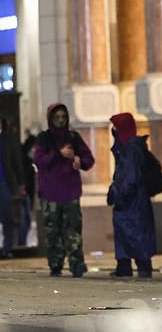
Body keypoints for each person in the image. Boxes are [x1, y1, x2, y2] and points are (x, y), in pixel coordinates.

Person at [33, 103, 94, 277]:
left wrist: (78, 161)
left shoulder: (73, 137)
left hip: (70, 192)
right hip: (51, 194)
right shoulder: (44, 139)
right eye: (57, 117)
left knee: (73, 231)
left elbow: (88, 159)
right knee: (53, 232)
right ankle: (55, 263)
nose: (60, 121)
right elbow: (39, 160)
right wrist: (58, 154)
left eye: (63, 117)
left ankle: (77, 264)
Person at [106, 112, 157, 278]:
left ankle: (142, 267)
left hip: (132, 202)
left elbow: (129, 177)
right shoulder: (128, 147)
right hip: (132, 201)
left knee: (135, 233)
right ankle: (124, 265)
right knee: (127, 233)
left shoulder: (131, 149)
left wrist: (119, 194)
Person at [0, 118, 26, 258]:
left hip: (4, 182)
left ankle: (7, 247)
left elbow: (17, 162)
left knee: (7, 217)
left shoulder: (8, 140)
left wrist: (21, 183)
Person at [18, 133, 37, 246]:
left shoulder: (29, 161)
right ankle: (21, 243)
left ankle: (22, 242)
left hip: (27, 193)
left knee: (26, 220)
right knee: (24, 220)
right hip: (23, 194)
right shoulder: (24, 161)